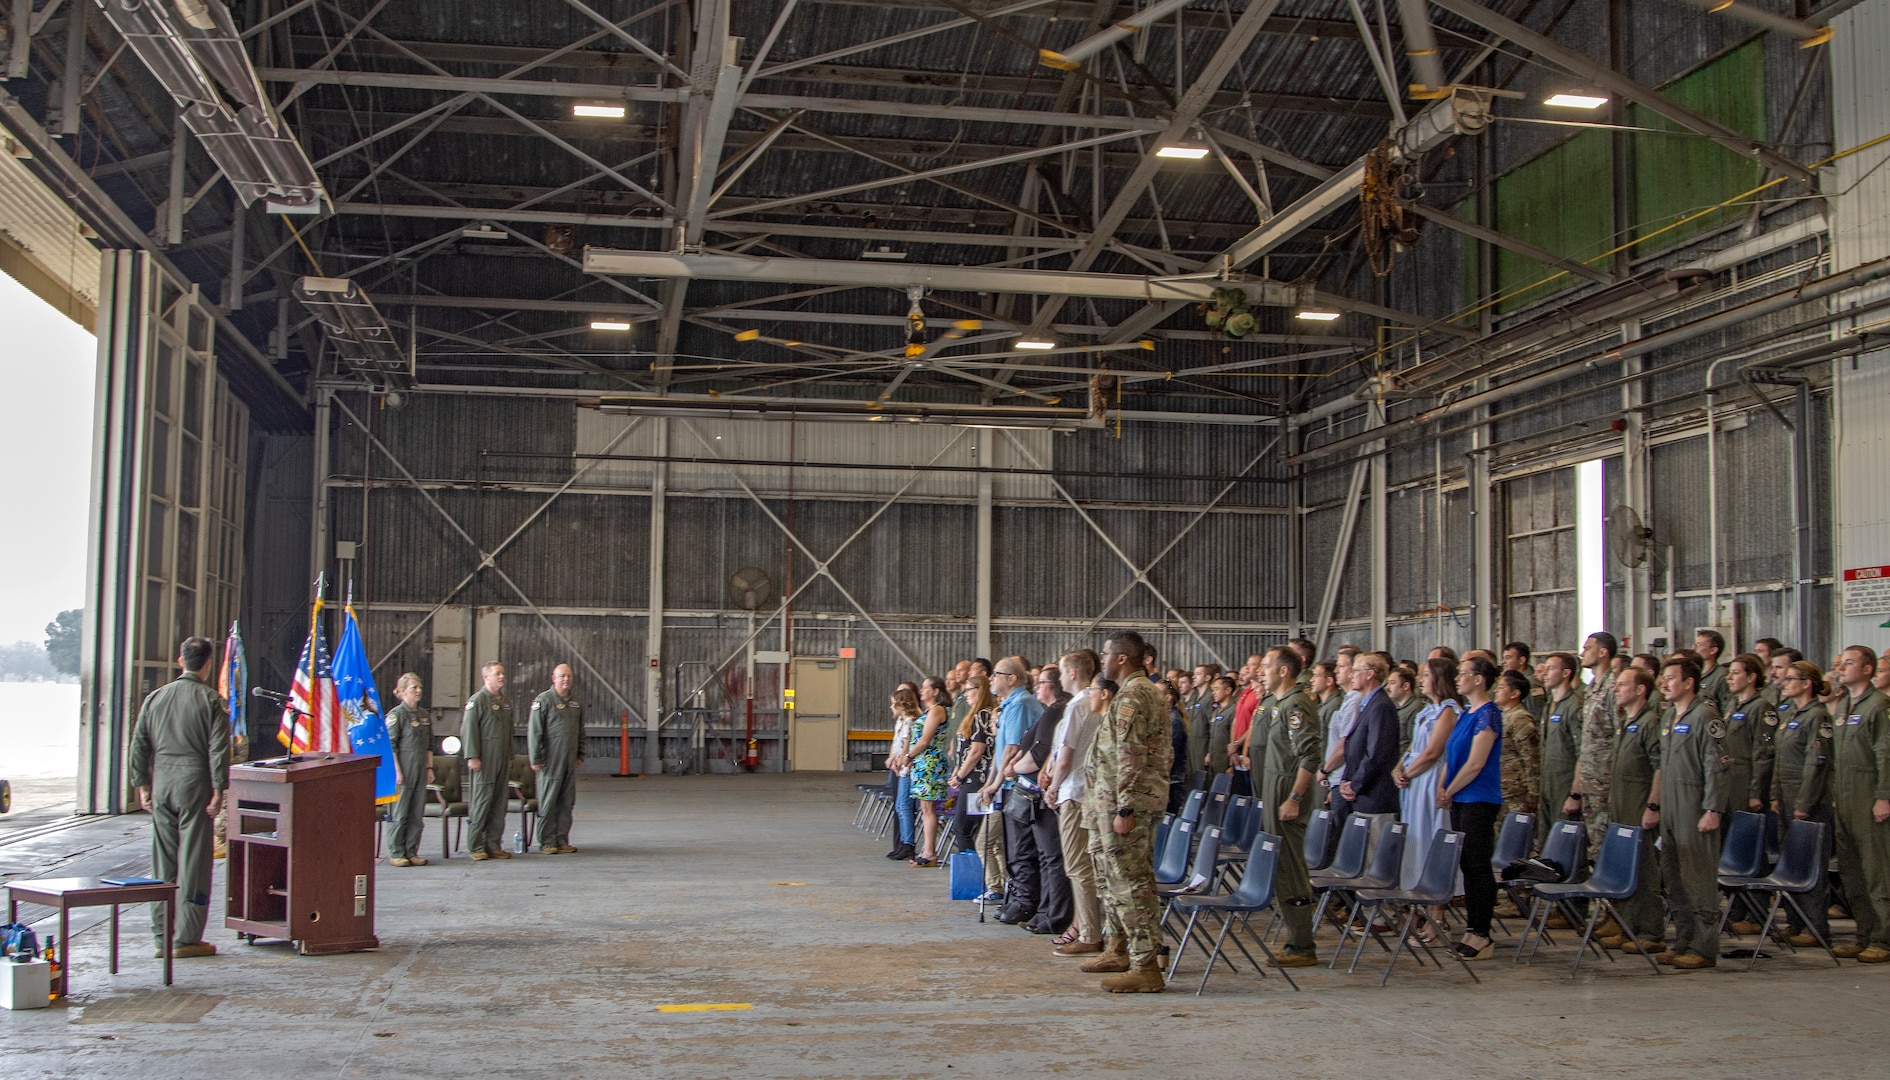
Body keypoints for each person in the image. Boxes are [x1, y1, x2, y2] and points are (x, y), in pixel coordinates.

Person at [1082, 630, 1173, 992]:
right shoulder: (1129, 694)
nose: (1101, 660)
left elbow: (1130, 756)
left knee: (1129, 882)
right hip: (1106, 803)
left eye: (1106, 654)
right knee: (1109, 879)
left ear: (1121, 658)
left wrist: (1125, 806)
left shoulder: (1135, 695)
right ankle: (1118, 947)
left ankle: (1145, 964)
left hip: (1124, 804)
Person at [128, 636, 229, 959]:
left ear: (179, 660)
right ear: (208, 664)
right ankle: (186, 938)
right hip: (194, 782)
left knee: (163, 862)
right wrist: (219, 789)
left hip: (162, 783)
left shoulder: (155, 698)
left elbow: (139, 744)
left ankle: (161, 936)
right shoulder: (211, 700)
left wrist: (142, 784)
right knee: (194, 862)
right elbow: (218, 750)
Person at [1244, 646, 1322, 967]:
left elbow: (1309, 756)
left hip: (1287, 792)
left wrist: (1295, 798)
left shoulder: (1297, 704)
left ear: (1284, 670)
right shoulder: (1276, 703)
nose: (1262, 669)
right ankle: (1295, 940)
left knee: (1291, 867)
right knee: (1280, 866)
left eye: (1267, 665)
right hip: (1272, 788)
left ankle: (1303, 945)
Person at [1652, 655, 1729, 969]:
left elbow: (1717, 767)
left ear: (1688, 682)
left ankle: (1703, 947)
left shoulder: (1705, 716)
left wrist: (1713, 808)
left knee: (1698, 879)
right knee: (1676, 879)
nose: (1664, 683)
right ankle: (1684, 941)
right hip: (1671, 807)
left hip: (1695, 806)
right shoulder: (1669, 715)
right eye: (1663, 678)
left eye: (1671, 678)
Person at [1440, 655, 1504, 961]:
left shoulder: (1488, 715)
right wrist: (1443, 785)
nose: (1458, 678)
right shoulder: (1466, 713)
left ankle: (1482, 932)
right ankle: (1471, 928)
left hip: (1478, 797)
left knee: (1478, 866)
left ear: (1479, 679)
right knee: (1466, 864)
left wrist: (1450, 789)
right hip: (1459, 798)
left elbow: (1476, 763)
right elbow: (1451, 753)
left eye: (1463, 674)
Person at [1829, 646, 1890, 962]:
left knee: (1876, 871)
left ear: (1868, 669)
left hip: (1870, 799)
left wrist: (1884, 797)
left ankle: (1883, 939)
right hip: (1847, 798)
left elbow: (1885, 754)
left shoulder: (1879, 705)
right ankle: (1864, 934)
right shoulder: (1843, 706)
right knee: (1852, 872)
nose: (1843, 667)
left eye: (1850, 662)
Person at [1599, 667, 1665, 954]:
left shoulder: (1650, 722)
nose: (1616, 688)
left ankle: (1651, 931)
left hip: (1640, 805)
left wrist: (1653, 805)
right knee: (1625, 867)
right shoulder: (1627, 721)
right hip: (1622, 804)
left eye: (1623, 684)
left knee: (1646, 870)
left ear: (1640, 690)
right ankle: (1628, 926)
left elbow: (1660, 767)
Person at [1044, 650, 1104, 957]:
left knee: (1078, 865)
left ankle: (1091, 932)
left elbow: (1065, 755)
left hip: (1074, 791)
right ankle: (1085, 925)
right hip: (1091, 791)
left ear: (1072, 674)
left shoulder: (1078, 706)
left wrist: (1053, 787)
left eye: (1063, 671)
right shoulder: (1096, 703)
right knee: (1086, 863)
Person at [1770, 660, 1833, 947]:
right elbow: (1780, 758)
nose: (1785, 681)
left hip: (1806, 801)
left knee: (1810, 865)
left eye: (1792, 678)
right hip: (1785, 797)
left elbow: (1816, 764)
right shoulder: (1791, 714)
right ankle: (1796, 924)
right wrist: (1774, 794)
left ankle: (1814, 927)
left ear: (1807, 683)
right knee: (1791, 863)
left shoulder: (1817, 716)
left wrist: (1804, 802)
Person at [1396, 657, 1459, 935]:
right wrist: (1398, 768)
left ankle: (1437, 915)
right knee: (1416, 844)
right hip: (1415, 780)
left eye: (1425, 675)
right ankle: (1418, 907)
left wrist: (1409, 772)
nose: (1420, 679)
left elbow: (1433, 752)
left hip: (1432, 780)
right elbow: (1414, 747)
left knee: (1434, 840)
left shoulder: (1449, 711)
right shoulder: (1427, 710)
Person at [984, 657, 1046, 926]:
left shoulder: (1021, 704)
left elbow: (1013, 749)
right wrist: (991, 782)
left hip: (1020, 786)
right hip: (1008, 784)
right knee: (1012, 846)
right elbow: (998, 754)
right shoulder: (1009, 704)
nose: (991, 679)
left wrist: (996, 783)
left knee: (1021, 848)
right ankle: (1018, 895)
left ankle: (1026, 900)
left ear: (1012, 678)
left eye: (996, 674)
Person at [1014, 669, 1074, 930]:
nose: (1036, 687)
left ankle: (1055, 915)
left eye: (1041, 683)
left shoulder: (1057, 711)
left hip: (1050, 790)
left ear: (1054, 686)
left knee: (1052, 856)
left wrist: (1013, 768)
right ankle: (1045, 910)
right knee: (1045, 854)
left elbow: (1045, 753)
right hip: (1044, 788)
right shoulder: (1052, 712)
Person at [1339, 653, 1400, 847]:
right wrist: (1346, 780)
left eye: (1356, 671)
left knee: (1372, 858)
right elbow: (1354, 748)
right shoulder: (1368, 704)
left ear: (1370, 674)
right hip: (1363, 794)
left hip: (1374, 796)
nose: (1351, 675)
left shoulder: (1381, 706)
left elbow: (1375, 754)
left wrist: (1355, 785)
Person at [1568, 633, 1620, 858]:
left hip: (1605, 778)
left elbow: (1620, 738)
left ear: (1603, 652)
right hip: (1589, 777)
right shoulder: (1591, 688)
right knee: (1592, 841)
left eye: (1587, 648)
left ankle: (1608, 891)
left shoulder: (1614, 687)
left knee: (1605, 841)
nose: (1582, 653)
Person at [948, 674, 1000, 890]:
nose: (965, 694)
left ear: (980, 690)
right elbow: (965, 750)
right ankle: (981, 878)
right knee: (969, 828)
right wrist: (957, 772)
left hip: (976, 780)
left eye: (969, 690)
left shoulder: (982, 715)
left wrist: (961, 776)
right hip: (968, 777)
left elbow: (977, 751)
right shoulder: (973, 715)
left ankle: (976, 878)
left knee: (963, 828)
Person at [462, 660, 516, 861]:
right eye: (497, 674)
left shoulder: (506, 702)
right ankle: (476, 845)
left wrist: (510, 755)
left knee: (499, 803)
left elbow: (509, 732)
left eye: (502, 673)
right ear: (486, 677)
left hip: (502, 759)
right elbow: (468, 730)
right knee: (482, 802)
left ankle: (493, 844)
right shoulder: (477, 701)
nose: (502, 676)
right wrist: (472, 756)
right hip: (484, 759)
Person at [529, 663, 585, 855]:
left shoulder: (575, 702)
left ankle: (562, 839)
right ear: (554, 678)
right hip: (550, 761)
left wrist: (580, 754)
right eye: (562, 676)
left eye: (569, 676)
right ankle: (547, 841)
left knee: (567, 801)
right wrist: (536, 757)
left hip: (569, 760)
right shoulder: (543, 701)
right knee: (549, 801)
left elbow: (580, 731)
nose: (566, 680)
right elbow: (535, 732)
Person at [1537, 652, 1584, 851]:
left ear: (1566, 673)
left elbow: (1582, 752)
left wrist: (1575, 794)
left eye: (1551, 668)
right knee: (1546, 840)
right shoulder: (1549, 705)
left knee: (1564, 842)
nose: (1545, 673)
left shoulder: (1574, 706)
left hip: (1565, 782)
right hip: (1547, 780)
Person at [385, 672, 432, 867]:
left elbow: (430, 745)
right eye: (414, 688)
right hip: (403, 770)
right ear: (403, 691)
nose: (419, 691)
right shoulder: (397, 715)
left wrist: (430, 768)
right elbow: (391, 746)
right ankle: (397, 851)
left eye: (420, 687)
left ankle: (412, 850)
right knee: (400, 813)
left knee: (416, 813)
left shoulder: (424, 715)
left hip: (420, 769)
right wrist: (397, 771)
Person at [905, 682, 951, 868]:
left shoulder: (937, 710)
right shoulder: (927, 711)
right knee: (925, 809)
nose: (922, 690)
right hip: (922, 763)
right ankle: (927, 849)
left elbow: (925, 740)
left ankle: (930, 852)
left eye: (926, 687)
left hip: (930, 763)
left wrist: (909, 755)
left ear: (936, 691)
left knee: (928, 809)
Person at [1494, 670, 1540, 823]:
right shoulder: (1501, 716)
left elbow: (1532, 759)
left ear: (1515, 694)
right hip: (1500, 789)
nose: (1496, 690)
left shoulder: (1520, 719)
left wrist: (1533, 793)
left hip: (1516, 792)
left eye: (1501, 687)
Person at [1389, 665, 1421, 756]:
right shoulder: (1392, 706)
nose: (1388, 687)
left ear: (1405, 686)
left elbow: (1413, 743)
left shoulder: (1415, 708)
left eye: (1392, 683)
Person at [1696, 630, 1730, 714]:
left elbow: (1726, 707)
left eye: (1700, 645)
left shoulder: (1722, 675)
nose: (1694, 648)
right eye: (1695, 645)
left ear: (1713, 650)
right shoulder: (1694, 673)